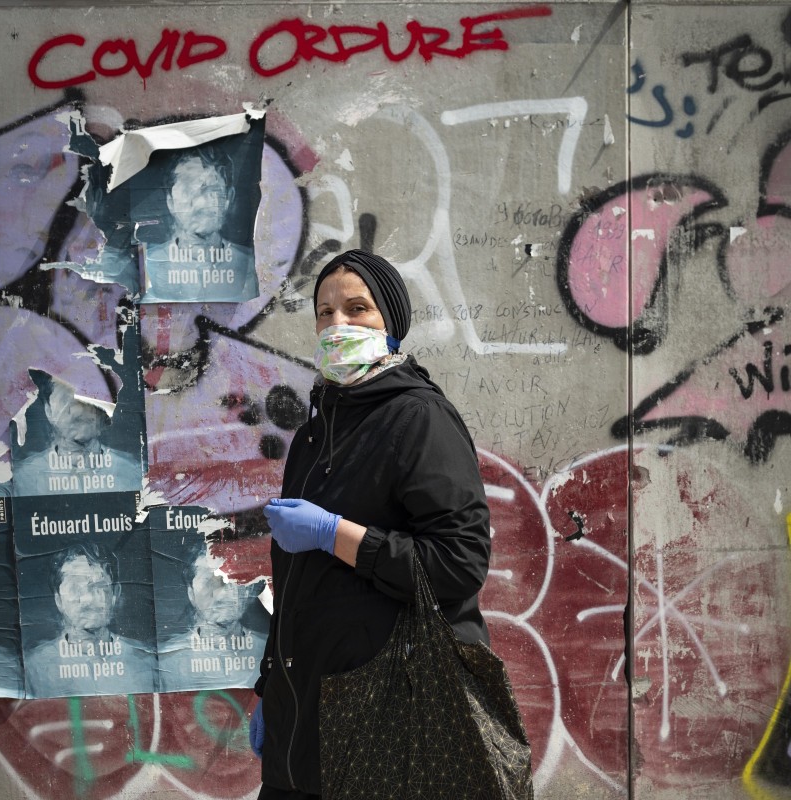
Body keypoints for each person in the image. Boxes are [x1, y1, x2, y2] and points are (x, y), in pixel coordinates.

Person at [250, 250, 491, 798]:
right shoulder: (314, 436)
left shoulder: (419, 418)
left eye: (358, 310)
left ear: (392, 322)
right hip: (304, 719)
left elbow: (460, 564)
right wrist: (273, 688)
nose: (338, 326)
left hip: (388, 721)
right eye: (325, 312)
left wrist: (335, 534)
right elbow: (295, 588)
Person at [24, 541, 156, 697]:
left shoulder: (147, 661)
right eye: (75, 588)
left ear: (115, 594)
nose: (87, 599)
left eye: (98, 586)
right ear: (58, 600)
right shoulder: (34, 667)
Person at [140, 150, 257, 302]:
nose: (201, 200)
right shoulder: (150, 264)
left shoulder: (247, 264)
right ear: (170, 202)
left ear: (229, 198)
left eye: (213, 188)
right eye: (189, 188)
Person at [158, 546, 268, 692]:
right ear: (191, 594)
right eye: (209, 582)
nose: (222, 595)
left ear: (247, 591)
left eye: (232, 581)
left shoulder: (267, 650)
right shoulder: (167, 660)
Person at [12, 379, 142, 496]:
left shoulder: (134, 474)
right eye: (65, 400)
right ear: (49, 411)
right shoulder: (24, 479)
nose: (77, 411)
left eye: (87, 398)